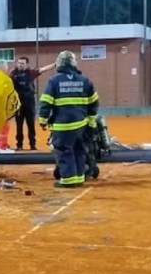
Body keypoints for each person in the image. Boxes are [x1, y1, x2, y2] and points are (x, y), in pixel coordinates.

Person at [38, 51, 99, 188]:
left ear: (59, 63)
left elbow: (46, 102)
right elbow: (94, 102)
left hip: (62, 126)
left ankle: (68, 180)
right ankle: (79, 177)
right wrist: (91, 121)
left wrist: (42, 120)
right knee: (79, 150)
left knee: (64, 151)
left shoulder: (54, 81)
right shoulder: (84, 80)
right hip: (81, 125)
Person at [9, 56, 57, 151]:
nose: (20, 65)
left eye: (22, 63)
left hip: (29, 102)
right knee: (19, 125)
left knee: (31, 125)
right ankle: (19, 145)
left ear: (26, 64)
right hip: (18, 103)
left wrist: (55, 64)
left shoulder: (31, 72)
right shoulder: (13, 73)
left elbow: (43, 69)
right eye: (19, 63)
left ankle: (32, 145)